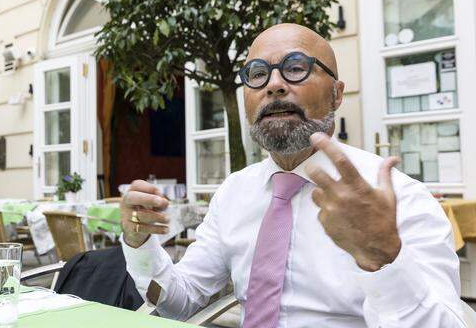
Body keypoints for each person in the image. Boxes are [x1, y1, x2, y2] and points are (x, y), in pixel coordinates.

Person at [120, 23, 466, 327]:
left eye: (296, 68)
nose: (273, 85)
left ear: (337, 93)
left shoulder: (398, 198)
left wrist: (383, 259)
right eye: (257, 74)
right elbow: (179, 302)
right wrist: (140, 245)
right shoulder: (236, 191)